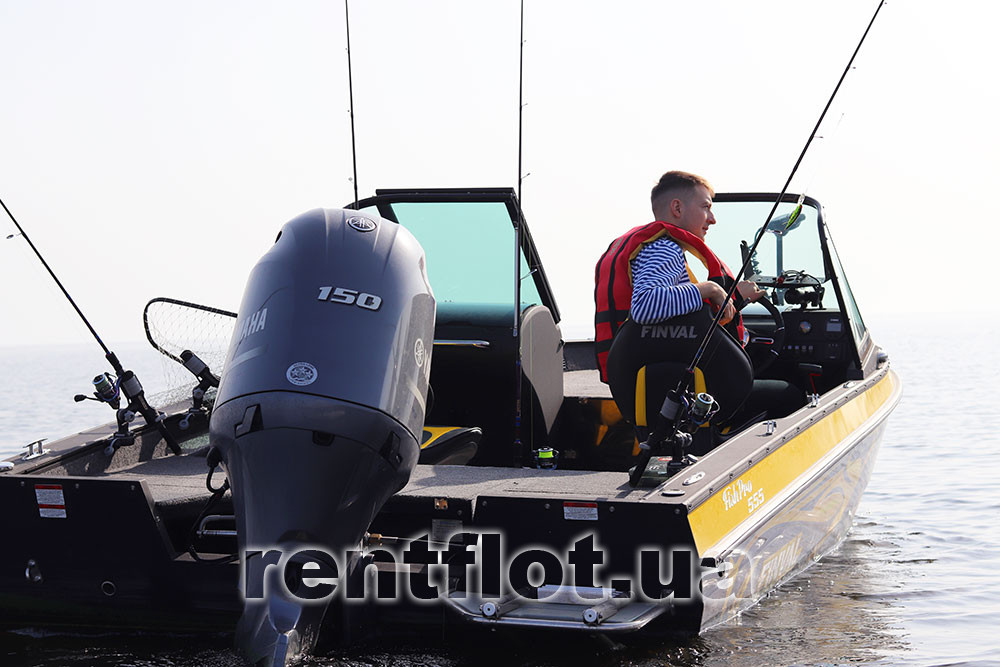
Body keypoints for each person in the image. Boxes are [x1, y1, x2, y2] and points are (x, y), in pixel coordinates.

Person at [630, 170, 800, 424]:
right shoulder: (663, 249)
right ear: (677, 208)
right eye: (706, 207)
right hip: (683, 394)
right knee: (791, 394)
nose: (713, 219)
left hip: (663, 386)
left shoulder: (654, 248)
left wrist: (734, 298)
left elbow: (682, 322)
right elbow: (645, 306)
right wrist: (710, 288)